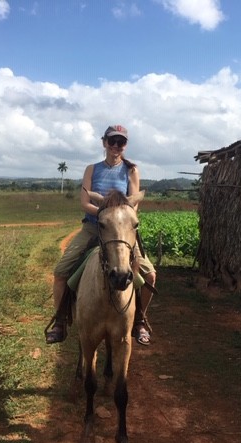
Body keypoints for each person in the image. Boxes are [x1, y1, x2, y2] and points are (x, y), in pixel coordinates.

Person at [45, 124, 156, 346]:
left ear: (125, 145)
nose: (116, 146)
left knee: (150, 275)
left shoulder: (131, 170)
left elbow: (134, 203)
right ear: (104, 142)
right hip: (92, 228)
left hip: (121, 232)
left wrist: (118, 220)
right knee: (61, 272)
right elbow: (85, 202)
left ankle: (140, 320)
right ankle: (60, 320)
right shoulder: (91, 169)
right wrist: (105, 215)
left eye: (121, 142)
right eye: (112, 141)